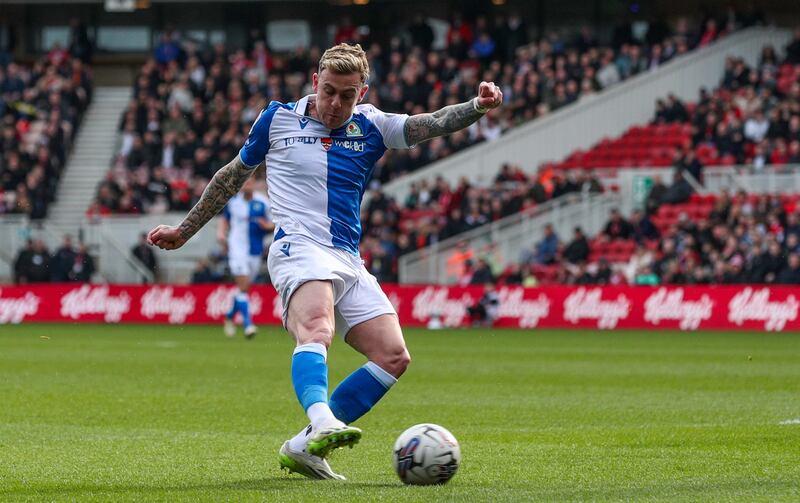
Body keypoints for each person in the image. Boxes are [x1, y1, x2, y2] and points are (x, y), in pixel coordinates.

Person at [147, 43, 503, 480]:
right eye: (329, 91)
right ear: (316, 81)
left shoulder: (371, 124)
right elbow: (230, 177)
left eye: (347, 95)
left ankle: (304, 447)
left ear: (362, 92)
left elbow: (430, 123)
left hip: (347, 257)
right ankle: (322, 421)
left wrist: (476, 106)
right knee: (318, 328)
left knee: (393, 356)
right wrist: (184, 230)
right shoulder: (277, 118)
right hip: (297, 246)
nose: (335, 104)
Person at [218, 176, 274, 338]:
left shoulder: (263, 202)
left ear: (254, 184)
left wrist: (267, 226)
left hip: (255, 250)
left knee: (244, 288)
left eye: (249, 181)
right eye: (244, 181)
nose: (246, 184)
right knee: (243, 286)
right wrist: (221, 233)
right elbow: (225, 220)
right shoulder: (233, 202)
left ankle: (229, 316)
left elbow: (275, 223)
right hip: (236, 249)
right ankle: (248, 324)